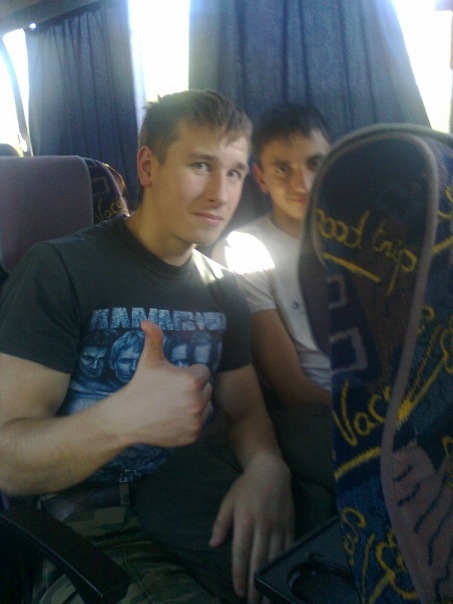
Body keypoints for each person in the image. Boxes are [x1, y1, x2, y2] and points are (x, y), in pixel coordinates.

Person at [0, 90, 294, 603]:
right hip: (99, 534)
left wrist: (267, 466)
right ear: (147, 166)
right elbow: (7, 461)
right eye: (200, 165)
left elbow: (247, 412)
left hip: (203, 499)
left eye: (234, 173)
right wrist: (122, 421)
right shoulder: (59, 270)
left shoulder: (224, 289)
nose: (220, 194)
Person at [211, 103, 336, 531]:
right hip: (313, 409)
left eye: (315, 163)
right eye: (282, 169)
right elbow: (291, 388)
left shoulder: (363, 234)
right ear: (261, 179)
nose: (303, 183)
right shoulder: (245, 249)